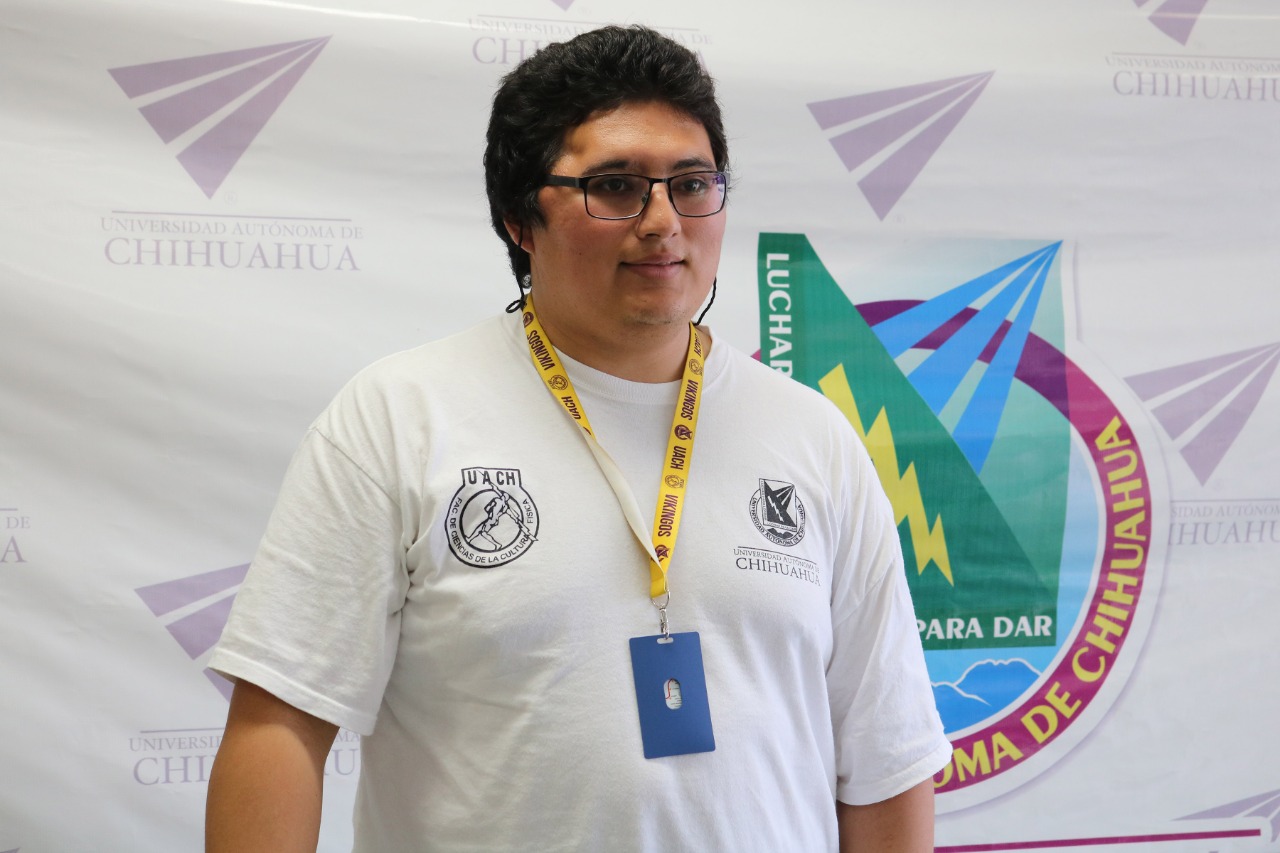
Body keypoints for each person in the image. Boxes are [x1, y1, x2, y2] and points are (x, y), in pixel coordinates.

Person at [205, 24, 951, 852]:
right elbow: (280, 726)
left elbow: (885, 760)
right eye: (616, 187)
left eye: (692, 184)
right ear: (519, 220)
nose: (663, 220)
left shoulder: (812, 436)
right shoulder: (398, 418)